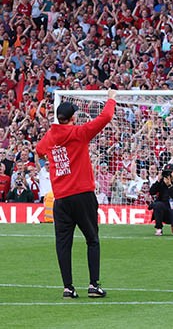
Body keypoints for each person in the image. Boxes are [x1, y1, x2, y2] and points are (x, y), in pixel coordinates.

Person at [35, 89, 117, 299]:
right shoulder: (79, 133)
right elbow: (106, 116)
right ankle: (93, 285)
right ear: (73, 118)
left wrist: (54, 161)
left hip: (61, 198)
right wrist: (111, 98)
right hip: (82, 194)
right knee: (92, 239)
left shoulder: (50, 137)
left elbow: (39, 150)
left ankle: (68, 287)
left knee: (63, 243)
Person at [149, 165, 173, 236]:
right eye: (167, 173)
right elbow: (152, 192)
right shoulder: (161, 181)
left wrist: (170, 185)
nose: (169, 175)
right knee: (157, 205)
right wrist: (158, 181)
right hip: (164, 208)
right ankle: (159, 228)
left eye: (170, 172)